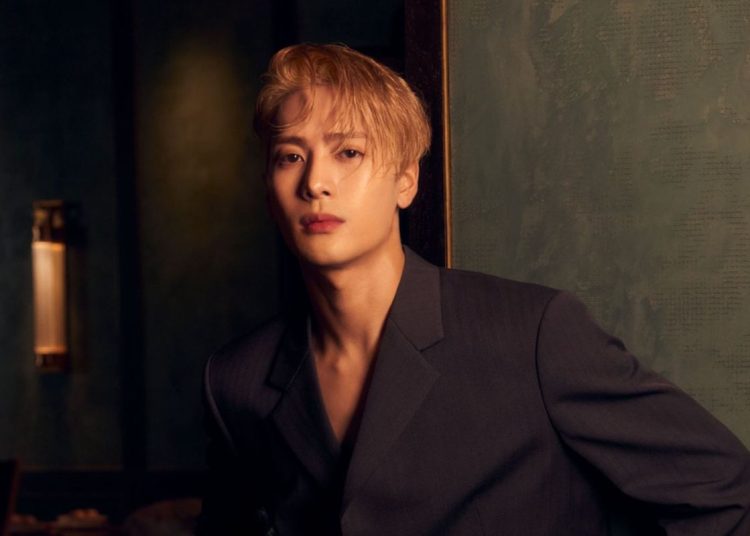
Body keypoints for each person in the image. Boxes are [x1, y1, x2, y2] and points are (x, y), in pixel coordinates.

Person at [197, 43, 750, 535]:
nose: (315, 182)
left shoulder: (532, 336)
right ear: (269, 189)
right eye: (291, 156)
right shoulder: (237, 380)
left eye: (348, 152)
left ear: (406, 180)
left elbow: (725, 491)